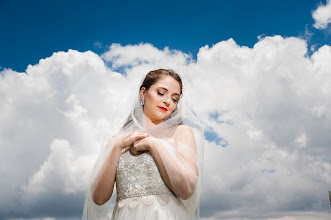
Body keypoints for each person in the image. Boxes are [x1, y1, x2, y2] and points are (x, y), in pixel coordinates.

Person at [82, 69, 204, 220]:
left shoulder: (181, 132)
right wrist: (117, 147)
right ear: (143, 93)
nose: (168, 101)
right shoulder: (117, 141)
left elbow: (186, 190)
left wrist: (153, 144)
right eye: (161, 93)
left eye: (174, 99)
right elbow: (99, 198)